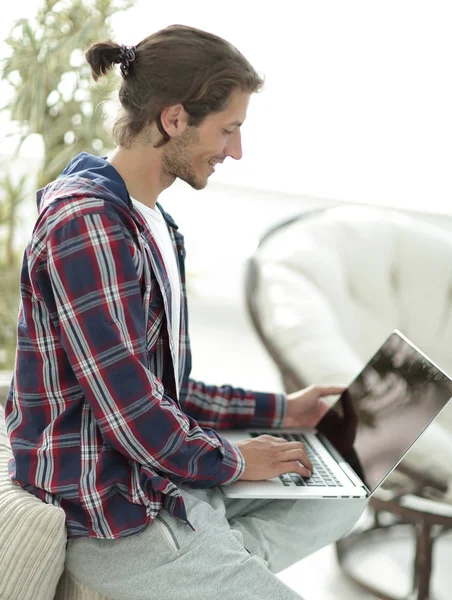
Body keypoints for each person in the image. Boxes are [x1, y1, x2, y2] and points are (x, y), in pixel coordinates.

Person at [5, 24, 367, 600]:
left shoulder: (151, 223)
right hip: (111, 506)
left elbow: (163, 390)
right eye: (228, 129)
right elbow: (132, 411)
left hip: (160, 473)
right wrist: (232, 461)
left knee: (346, 501)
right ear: (174, 119)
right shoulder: (87, 225)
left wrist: (285, 410)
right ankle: (212, 558)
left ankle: (217, 558)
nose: (236, 150)